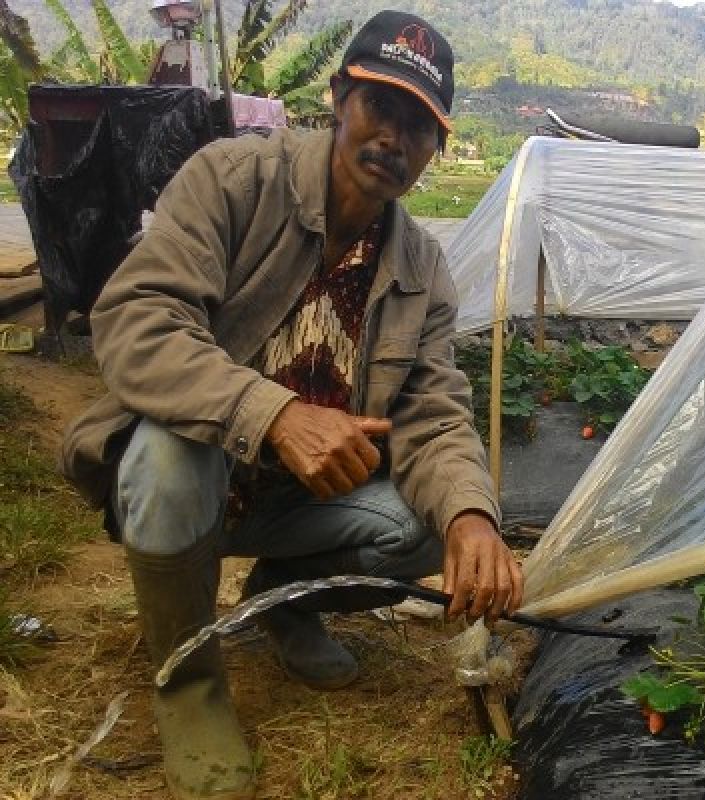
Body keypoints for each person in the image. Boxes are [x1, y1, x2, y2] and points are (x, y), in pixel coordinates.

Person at [58, 11, 522, 800]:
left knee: (429, 521)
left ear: (436, 149)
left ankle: (281, 598)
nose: (394, 139)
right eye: (381, 107)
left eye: (419, 126)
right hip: (193, 482)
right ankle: (190, 684)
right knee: (175, 449)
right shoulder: (237, 181)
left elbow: (435, 415)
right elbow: (137, 320)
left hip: (299, 504)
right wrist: (272, 413)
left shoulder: (421, 269)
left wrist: (473, 518)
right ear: (340, 97)